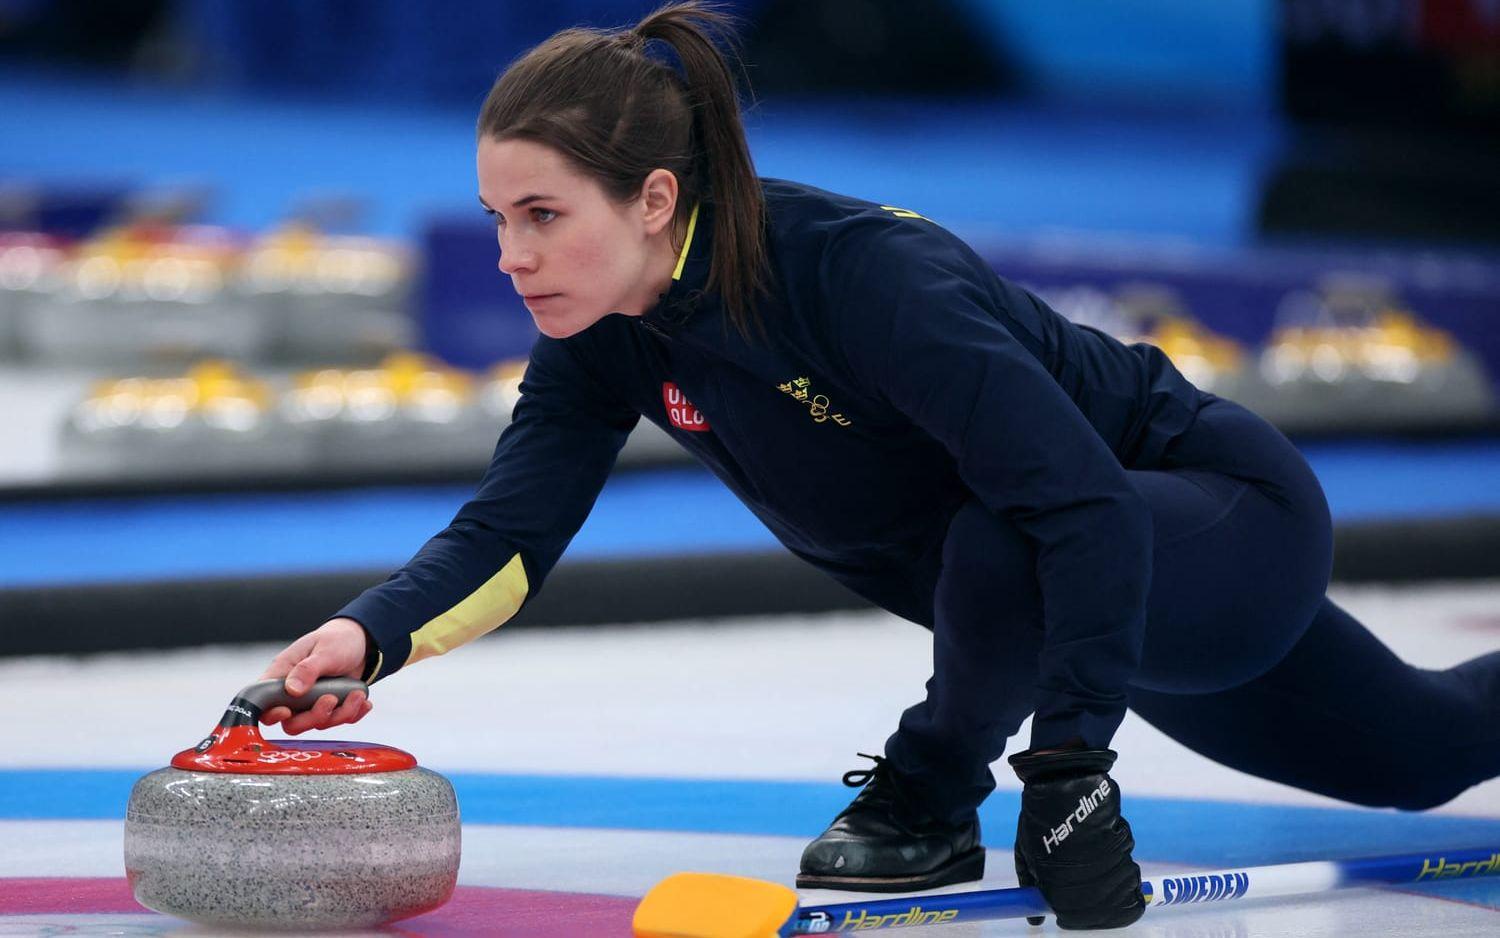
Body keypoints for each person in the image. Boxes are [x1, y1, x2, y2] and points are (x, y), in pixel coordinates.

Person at [256, 2, 1500, 930]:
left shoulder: (862, 278)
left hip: (1219, 528)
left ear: (650, 198)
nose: (511, 256)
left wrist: (1064, 771)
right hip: (1088, 601)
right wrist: (370, 638)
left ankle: (928, 791)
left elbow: (1076, 509)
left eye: (541, 216)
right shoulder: (602, 338)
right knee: (1424, 753)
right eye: (496, 220)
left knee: (996, 521)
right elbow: (508, 536)